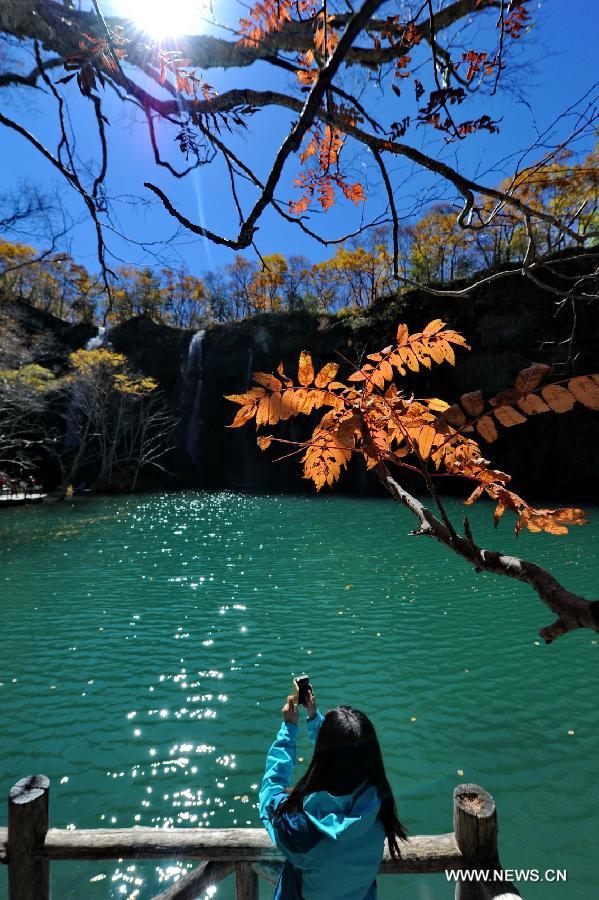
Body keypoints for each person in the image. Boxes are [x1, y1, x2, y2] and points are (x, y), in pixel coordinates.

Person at [259, 686, 407, 899]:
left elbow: (270, 792)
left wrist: (288, 730)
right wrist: (314, 719)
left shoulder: (301, 829)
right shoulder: (379, 810)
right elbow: (347, 758)